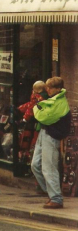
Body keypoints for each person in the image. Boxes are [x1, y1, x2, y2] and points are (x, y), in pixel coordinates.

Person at [32, 77, 71, 209]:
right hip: (43, 133)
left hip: (51, 136)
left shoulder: (60, 102)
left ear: (58, 89)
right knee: (35, 165)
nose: (47, 89)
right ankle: (50, 192)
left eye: (50, 87)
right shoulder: (52, 99)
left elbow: (43, 117)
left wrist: (36, 108)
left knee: (49, 168)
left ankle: (56, 198)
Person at [17, 81, 47, 163]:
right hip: (39, 121)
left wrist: (24, 119)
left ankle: (29, 157)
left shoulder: (36, 97)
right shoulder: (45, 96)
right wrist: (21, 107)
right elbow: (30, 105)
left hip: (36, 122)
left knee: (33, 140)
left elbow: (31, 109)